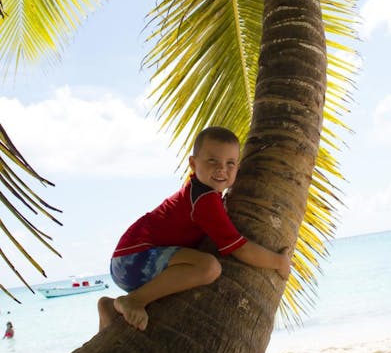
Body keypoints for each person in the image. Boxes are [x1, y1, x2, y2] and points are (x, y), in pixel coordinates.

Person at [98, 126, 290, 332]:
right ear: (193, 163)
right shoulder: (204, 200)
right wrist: (279, 262)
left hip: (127, 259)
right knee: (209, 267)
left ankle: (109, 306)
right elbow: (239, 248)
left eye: (230, 163)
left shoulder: (202, 193)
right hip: (134, 259)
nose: (221, 169)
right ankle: (134, 301)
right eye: (212, 161)